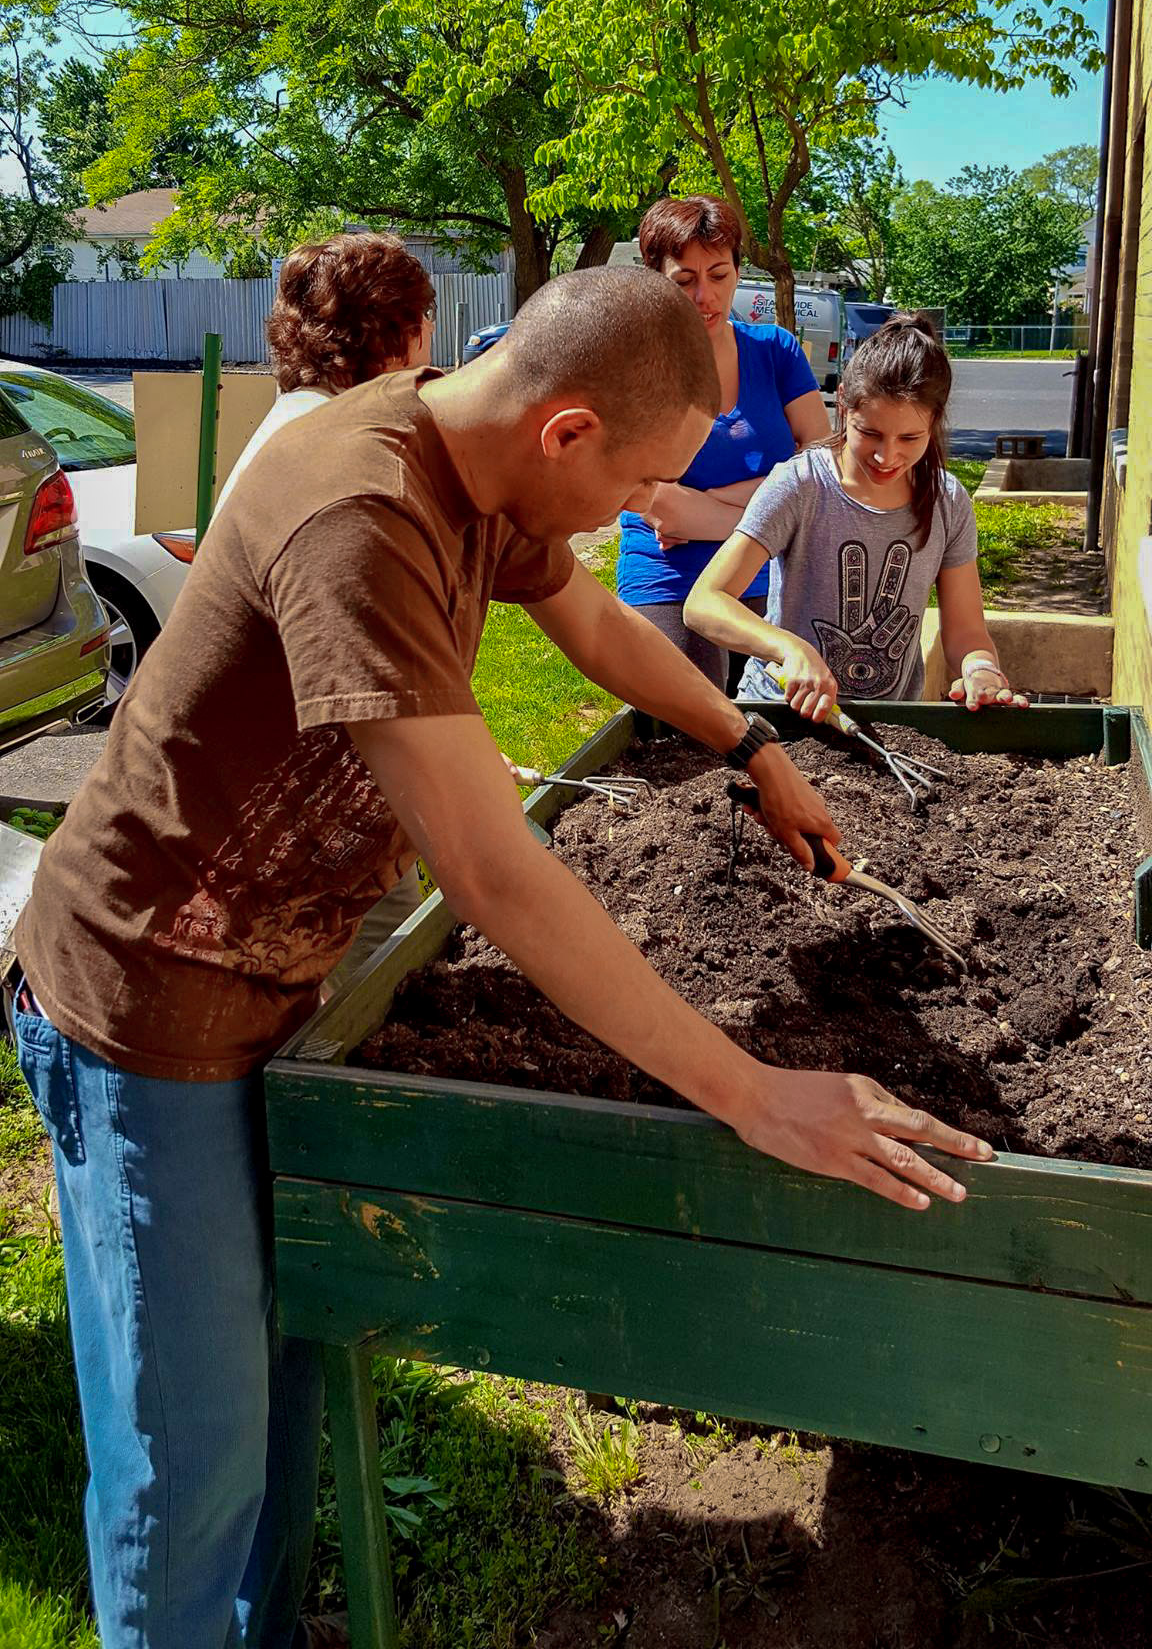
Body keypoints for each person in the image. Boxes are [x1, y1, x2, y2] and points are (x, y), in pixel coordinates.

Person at [5, 269, 993, 1649]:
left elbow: (592, 629)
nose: (630, 516)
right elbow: (491, 866)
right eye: (637, 479)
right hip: (145, 1001)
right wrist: (754, 1093)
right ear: (568, 430)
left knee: (282, 1390)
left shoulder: (479, 456)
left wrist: (751, 746)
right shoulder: (360, 510)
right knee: (191, 1460)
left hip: (278, 986)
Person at [213, 233, 438, 983]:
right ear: (405, 333)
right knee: (372, 985)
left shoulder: (298, 419)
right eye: (427, 322)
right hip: (300, 788)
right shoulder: (333, 447)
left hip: (317, 769)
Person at [683, 313, 1029, 716]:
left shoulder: (947, 501)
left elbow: (967, 633)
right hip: (780, 716)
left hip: (890, 725)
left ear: (935, 421)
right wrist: (788, 648)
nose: (887, 456)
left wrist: (981, 670)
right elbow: (705, 602)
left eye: (910, 438)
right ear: (843, 403)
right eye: (870, 433)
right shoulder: (801, 484)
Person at [617, 196, 829, 692]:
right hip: (668, 577)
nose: (705, 296)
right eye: (685, 281)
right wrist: (775, 511)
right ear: (656, 279)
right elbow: (658, 505)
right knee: (688, 733)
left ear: (737, 269)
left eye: (718, 275)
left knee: (789, 733)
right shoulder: (632, 365)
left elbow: (820, 467)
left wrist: (708, 504)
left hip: (766, 576)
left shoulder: (776, 351)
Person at [213, 230, 436, 515]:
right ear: (389, 330)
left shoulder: (306, 410)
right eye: (425, 313)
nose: (431, 327)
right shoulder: (346, 448)